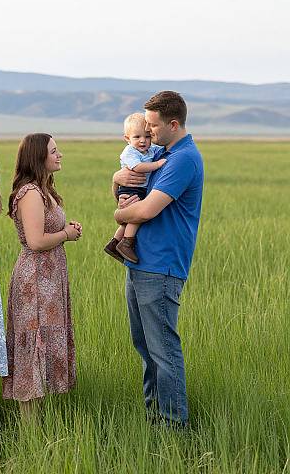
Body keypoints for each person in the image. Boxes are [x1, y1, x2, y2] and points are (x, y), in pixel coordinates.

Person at [114, 91, 204, 428]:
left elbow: (148, 208)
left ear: (174, 124)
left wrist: (117, 214)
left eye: (153, 125)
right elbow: (132, 191)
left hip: (161, 266)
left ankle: (173, 428)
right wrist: (116, 181)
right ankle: (155, 421)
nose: (148, 131)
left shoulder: (181, 159)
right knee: (146, 348)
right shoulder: (160, 153)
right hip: (140, 262)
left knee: (163, 351)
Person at [2, 133, 82, 416]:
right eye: (54, 151)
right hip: (35, 280)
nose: (59, 155)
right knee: (32, 345)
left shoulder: (44, 190)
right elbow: (35, 241)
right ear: (38, 157)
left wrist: (64, 231)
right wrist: (66, 234)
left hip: (50, 277)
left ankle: (37, 425)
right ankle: (29, 431)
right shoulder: (31, 193)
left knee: (45, 343)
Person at [104, 113, 166, 263]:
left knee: (129, 218)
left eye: (147, 136)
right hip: (131, 188)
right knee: (136, 215)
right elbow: (137, 167)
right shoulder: (130, 152)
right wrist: (156, 165)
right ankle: (127, 242)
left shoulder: (150, 151)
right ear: (127, 139)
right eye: (137, 137)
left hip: (139, 188)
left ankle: (114, 242)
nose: (143, 141)